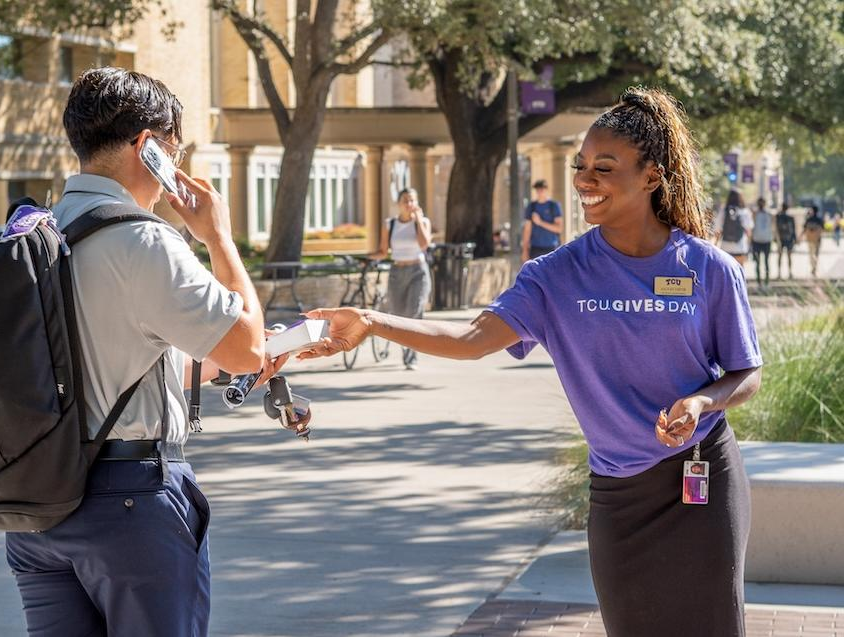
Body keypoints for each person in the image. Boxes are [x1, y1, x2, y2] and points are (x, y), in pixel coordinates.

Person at [299, 88, 762, 636]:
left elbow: (746, 372)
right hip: (619, 496)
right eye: (579, 166)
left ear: (652, 177)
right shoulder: (555, 276)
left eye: (604, 167)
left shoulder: (708, 268)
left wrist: (702, 401)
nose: (585, 180)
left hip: (701, 478)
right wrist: (374, 321)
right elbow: (472, 338)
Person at [3, 67, 287, 637]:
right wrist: (218, 237)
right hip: (128, 504)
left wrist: (213, 365)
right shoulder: (144, 239)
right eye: (172, 153)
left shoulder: (30, 239)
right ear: (148, 146)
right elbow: (247, 349)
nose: (173, 171)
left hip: (35, 507)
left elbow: (110, 360)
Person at [372, 187, 432, 369]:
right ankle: (407, 348)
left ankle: (411, 357)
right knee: (398, 315)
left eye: (413, 200)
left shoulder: (423, 222)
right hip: (397, 272)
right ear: (398, 204)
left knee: (414, 312)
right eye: (406, 200)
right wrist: (366, 258)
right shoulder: (390, 224)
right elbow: (383, 251)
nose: (409, 204)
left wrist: (418, 220)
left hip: (418, 271)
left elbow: (424, 244)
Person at [520, 179, 564, 260]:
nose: (540, 192)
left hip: (551, 249)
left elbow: (559, 229)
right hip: (535, 249)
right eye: (538, 189)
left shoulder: (553, 206)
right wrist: (525, 250)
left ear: (546, 190)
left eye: (542, 189)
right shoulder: (531, 206)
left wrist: (540, 222)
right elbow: (527, 230)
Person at [714, 189, 753, 266]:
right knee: (739, 270)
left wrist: (715, 244)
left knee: (726, 270)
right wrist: (749, 245)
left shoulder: (724, 210)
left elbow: (717, 229)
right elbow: (749, 231)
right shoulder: (745, 211)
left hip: (725, 247)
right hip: (740, 247)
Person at [751, 197, 773, 288]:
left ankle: (761, 282)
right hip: (765, 240)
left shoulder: (755, 214)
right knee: (764, 262)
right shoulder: (769, 214)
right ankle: (764, 282)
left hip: (758, 240)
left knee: (759, 262)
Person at [775, 202, 797, 280]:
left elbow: (776, 228)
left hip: (781, 239)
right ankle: (790, 273)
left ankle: (779, 273)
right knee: (789, 256)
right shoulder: (790, 218)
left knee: (780, 256)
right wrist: (795, 239)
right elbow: (793, 230)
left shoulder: (778, 217)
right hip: (789, 239)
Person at [803, 204, 824, 277]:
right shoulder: (819, 220)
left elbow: (804, 228)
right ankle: (814, 268)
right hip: (817, 240)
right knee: (816, 254)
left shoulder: (809, 219)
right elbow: (822, 229)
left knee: (811, 254)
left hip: (810, 239)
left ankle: (813, 267)